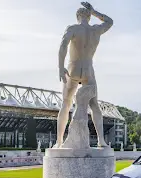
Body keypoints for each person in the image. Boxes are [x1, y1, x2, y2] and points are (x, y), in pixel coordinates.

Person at [55, 2, 113, 148]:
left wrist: (60, 67)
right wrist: (94, 11)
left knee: (66, 104)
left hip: (73, 69)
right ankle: (101, 140)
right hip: (88, 70)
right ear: (88, 16)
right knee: (94, 106)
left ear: (78, 16)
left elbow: (63, 46)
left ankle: (59, 141)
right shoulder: (96, 30)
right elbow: (109, 21)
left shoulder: (73, 28)